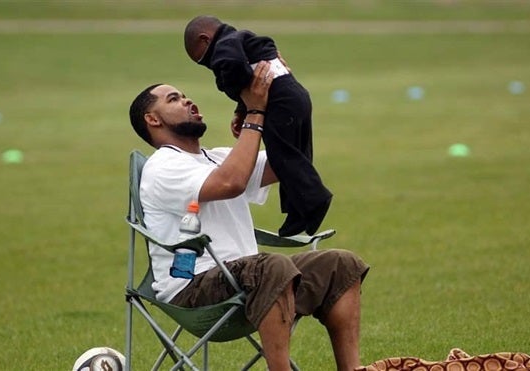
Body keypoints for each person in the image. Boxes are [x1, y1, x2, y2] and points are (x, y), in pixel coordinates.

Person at [128, 61, 369, 371]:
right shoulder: (163, 166)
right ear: (153, 119)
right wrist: (254, 119)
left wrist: (282, 96)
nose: (188, 101)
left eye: (185, 95)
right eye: (174, 99)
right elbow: (232, 182)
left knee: (341, 264)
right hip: (194, 288)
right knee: (272, 266)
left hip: (250, 281)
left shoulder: (216, 156)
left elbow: (293, 161)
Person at [183, 15, 332, 237]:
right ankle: (296, 211)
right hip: (296, 97)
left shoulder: (224, 45)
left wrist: (228, 86)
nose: (211, 66)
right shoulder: (243, 38)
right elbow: (266, 53)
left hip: (279, 105)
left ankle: (314, 200)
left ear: (206, 40)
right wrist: (242, 108)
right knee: (297, 156)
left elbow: (234, 68)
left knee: (283, 158)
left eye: (204, 60)